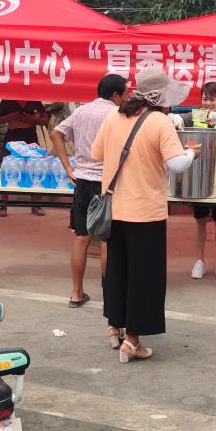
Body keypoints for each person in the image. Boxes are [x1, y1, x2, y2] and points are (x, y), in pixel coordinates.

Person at [91, 67, 197, 362]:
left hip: (115, 209)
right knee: (143, 277)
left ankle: (114, 327)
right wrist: (191, 153)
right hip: (146, 212)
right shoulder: (160, 122)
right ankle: (132, 341)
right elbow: (177, 164)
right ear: (161, 97)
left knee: (118, 271)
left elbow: (97, 154)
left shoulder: (114, 116)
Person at [51, 74, 131, 309]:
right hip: (107, 184)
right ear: (115, 95)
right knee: (107, 240)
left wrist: (68, 167)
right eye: (125, 93)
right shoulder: (116, 114)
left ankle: (76, 293)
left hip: (82, 181)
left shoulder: (81, 111)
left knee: (81, 238)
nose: (127, 97)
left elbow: (56, 133)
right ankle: (110, 294)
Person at [181, 82, 216, 281]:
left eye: (212, 99)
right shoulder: (196, 116)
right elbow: (178, 120)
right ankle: (199, 261)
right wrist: (174, 119)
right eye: (205, 99)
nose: (207, 103)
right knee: (200, 221)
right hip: (199, 179)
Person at [0, 99, 49, 216]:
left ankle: (35, 205)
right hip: (12, 136)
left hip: (30, 136)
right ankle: (3, 205)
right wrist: (12, 116)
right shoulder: (7, 100)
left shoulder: (34, 100)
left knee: (34, 169)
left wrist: (31, 120)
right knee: (8, 169)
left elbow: (45, 120)